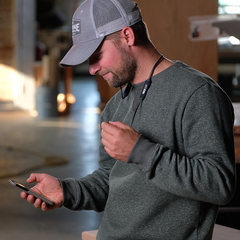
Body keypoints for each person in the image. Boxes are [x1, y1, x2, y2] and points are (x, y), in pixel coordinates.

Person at [21, 0, 236, 239]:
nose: (92, 69)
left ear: (127, 36)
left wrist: (141, 151)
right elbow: (111, 179)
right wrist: (67, 191)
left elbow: (219, 184)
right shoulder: (115, 106)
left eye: (97, 55)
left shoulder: (197, 94)